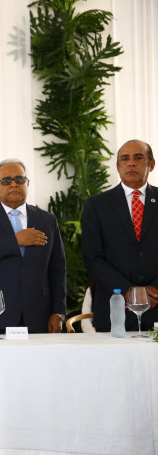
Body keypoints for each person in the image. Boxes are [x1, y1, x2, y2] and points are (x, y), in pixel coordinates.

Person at [0, 158, 66, 334]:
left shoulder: (47, 220)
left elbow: (58, 268)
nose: (13, 184)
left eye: (19, 179)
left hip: (39, 315)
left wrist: (58, 311)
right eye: (6, 180)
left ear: (27, 183)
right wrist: (15, 240)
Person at [82, 139, 158, 331]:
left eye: (138, 158)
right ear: (117, 166)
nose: (131, 163)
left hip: (156, 304)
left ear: (151, 164)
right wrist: (128, 291)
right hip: (114, 310)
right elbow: (93, 257)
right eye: (125, 159)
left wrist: (154, 291)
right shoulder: (96, 205)